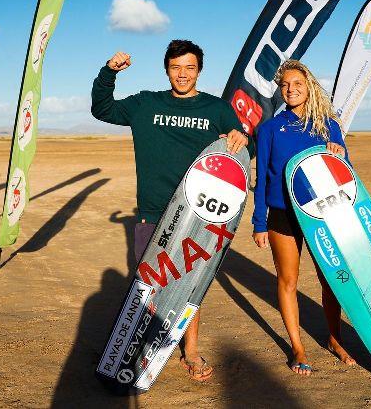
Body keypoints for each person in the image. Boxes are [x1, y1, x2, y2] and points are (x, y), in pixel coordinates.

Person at [91, 39, 251, 382]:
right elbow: (102, 109)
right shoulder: (145, 103)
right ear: (167, 70)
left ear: (199, 70)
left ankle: (189, 351)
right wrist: (108, 73)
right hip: (153, 210)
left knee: (190, 283)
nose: (183, 74)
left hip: (199, 213)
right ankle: (139, 346)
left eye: (190, 68)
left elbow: (235, 146)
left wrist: (241, 138)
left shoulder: (216, 109)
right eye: (176, 67)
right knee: (149, 285)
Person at [252, 59, 355, 376]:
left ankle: (335, 338)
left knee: (330, 281)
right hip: (282, 214)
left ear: (308, 86)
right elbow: (262, 179)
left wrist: (339, 153)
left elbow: (346, 172)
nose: (290, 89)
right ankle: (297, 347)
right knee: (288, 281)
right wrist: (259, 223)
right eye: (285, 85)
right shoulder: (270, 128)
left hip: (322, 214)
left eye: (297, 83)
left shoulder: (328, 125)